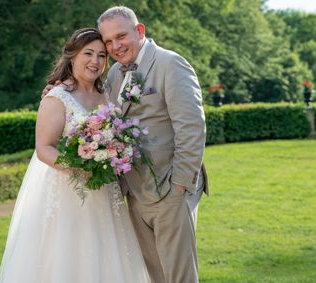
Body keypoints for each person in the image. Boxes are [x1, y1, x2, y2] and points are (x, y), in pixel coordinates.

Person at [42, 7, 208, 282]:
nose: (115, 46)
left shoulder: (170, 64)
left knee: (178, 276)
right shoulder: (116, 74)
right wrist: (60, 87)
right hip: (133, 191)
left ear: (139, 31)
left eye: (121, 36)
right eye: (108, 41)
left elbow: (191, 128)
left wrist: (179, 186)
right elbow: (94, 105)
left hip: (169, 189)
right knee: (154, 274)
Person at [0, 28, 150, 283]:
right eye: (88, 54)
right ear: (72, 57)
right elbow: (44, 148)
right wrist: (79, 168)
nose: (95, 61)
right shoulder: (58, 97)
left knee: (108, 253)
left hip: (104, 190)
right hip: (68, 192)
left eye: (102, 55)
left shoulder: (108, 94)